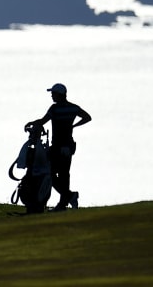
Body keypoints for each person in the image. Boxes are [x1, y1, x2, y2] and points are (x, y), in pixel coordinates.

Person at [26, 82, 92, 211]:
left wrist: (32, 123)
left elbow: (43, 121)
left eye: (53, 94)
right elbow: (87, 117)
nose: (52, 96)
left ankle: (68, 197)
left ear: (59, 95)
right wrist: (73, 126)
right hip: (68, 145)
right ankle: (63, 203)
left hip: (57, 146)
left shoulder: (54, 109)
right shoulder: (73, 108)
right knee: (64, 174)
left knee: (50, 172)